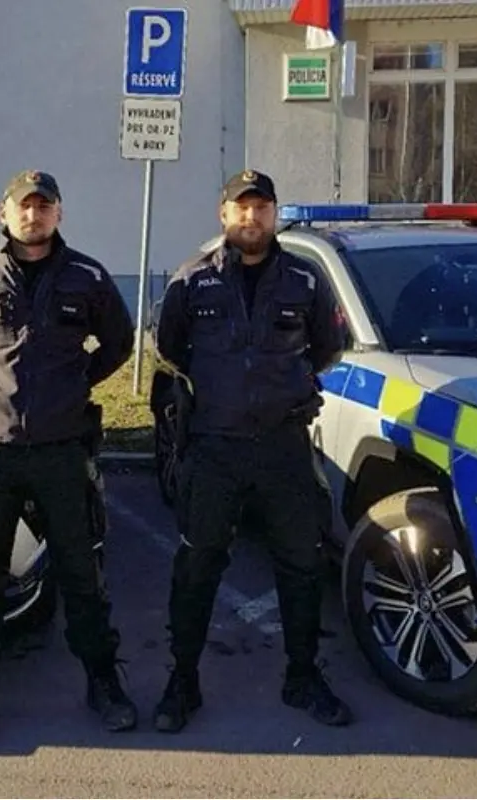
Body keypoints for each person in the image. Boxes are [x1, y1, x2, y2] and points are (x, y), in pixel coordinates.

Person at [0, 169, 138, 751]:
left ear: (58, 215)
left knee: (82, 576)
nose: (34, 215)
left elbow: (119, 342)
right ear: (5, 213)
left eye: (44, 206)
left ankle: (103, 683)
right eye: (24, 206)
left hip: (62, 453)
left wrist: (78, 383)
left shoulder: (87, 277)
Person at [150, 169, 352, 732]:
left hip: (283, 446)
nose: (251, 217)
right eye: (241, 207)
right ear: (223, 215)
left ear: (275, 214)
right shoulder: (191, 282)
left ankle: (303, 676)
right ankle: (182, 681)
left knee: (302, 564)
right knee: (197, 566)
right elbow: (170, 349)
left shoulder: (305, 280)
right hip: (215, 448)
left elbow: (327, 347)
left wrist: (284, 387)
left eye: (261, 207)